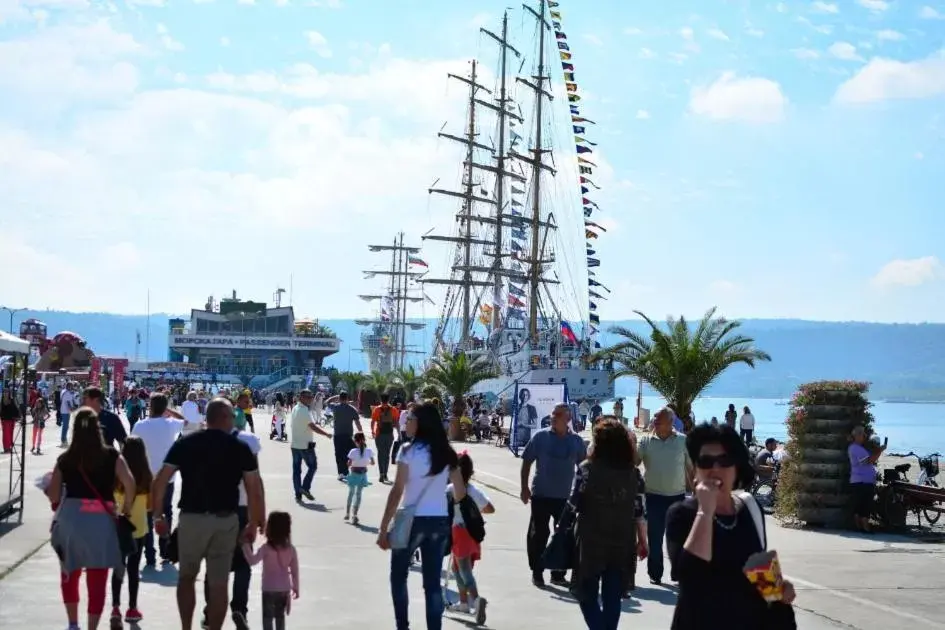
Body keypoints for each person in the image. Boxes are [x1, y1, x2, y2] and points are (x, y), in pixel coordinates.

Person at [666, 423, 796, 629]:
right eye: (706, 461)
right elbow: (689, 578)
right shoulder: (682, 514)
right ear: (695, 470)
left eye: (724, 460)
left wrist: (780, 588)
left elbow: (758, 570)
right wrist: (705, 512)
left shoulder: (750, 508)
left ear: (736, 467)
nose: (715, 469)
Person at [151, 397, 265, 630]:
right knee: (219, 583)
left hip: (191, 519)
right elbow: (254, 488)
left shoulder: (186, 443)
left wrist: (158, 516)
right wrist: (253, 523)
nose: (234, 420)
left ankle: (186, 627)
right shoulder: (240, 448)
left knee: (186, 578)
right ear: (223, 418)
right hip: (226, 521)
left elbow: (160, 480)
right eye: (232, 416)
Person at [377, 401, 466, 630]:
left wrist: (384, 526)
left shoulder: (408, 451)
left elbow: (397, 490)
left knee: (398, 576)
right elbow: (460, 492)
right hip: (438, 522)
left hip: (411, 521)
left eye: (410, 419)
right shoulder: (447, 453)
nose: (406, 423)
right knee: (432, 584)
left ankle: (402, 626)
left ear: (421, 424)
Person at [46, 407, 136, 630]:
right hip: (101, 520)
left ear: (75, 429)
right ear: (98, 429)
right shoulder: (111, 456)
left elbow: (54, 494)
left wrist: (55, 502)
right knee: (97, 578)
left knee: (69, 573)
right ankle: (92, 627)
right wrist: (125, 509)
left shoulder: (65, 459)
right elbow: (130, 483)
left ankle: (73, 624)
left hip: (71, 519)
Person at [570, 417, 647, 630]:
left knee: (586, 593)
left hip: (592, 539)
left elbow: (573, 502)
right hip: (622, 539)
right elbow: (639, 510)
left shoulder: (587, 468)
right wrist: (643, 540)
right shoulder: (634, 474)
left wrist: (561, 528)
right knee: (613, 596)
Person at [200, 407, 265, 629]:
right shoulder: (248, 441)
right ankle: (239, 608)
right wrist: (259, 516)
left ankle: (210, 612)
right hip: (243, 510)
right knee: (244, 562)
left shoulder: (203, 442)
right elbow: (256, 482)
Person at [520, 403, 587, 587]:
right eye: (553, 414)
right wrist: (524, 488)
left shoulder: (576, 441)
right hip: (541, 494)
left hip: (565, 498)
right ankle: (537, 571)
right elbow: (527, 461)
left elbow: (584, 468)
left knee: (564, 535)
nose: (554, 417)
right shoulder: (540, 437)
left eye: (558, 415)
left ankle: (558, 573)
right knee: (538, 534)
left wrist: (583, 495)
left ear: (568, 419)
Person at [131, 392, 183, 566]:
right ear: (164, 407)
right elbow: (187, 422)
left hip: (145, 477)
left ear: (150, 406)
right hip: (166, 477)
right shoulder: (170, 424)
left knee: (146, 515)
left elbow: (132, 449)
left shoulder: (139, 426)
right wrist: (170, 410)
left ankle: (150, 554)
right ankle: (166, 551)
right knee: (165, 512)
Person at [445, 451, 494, 625]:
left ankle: (475, 599)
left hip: (459, 532)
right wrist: (474, 512)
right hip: (473, 534)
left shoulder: (451, 490)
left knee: (463, 569)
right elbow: (490, 508)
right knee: (458, 570)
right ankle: (464, 602)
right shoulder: (474, 491)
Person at [109, 436, 152, 625]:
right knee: (134, 569)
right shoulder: (147, 477)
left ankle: (115, 608)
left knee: (118, 567)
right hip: (138, 528)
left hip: (117, 528)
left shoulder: (116, 475)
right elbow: (150, 506)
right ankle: (132, 608)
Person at [243, 511, 299, 630]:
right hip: (284, 588)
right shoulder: (291, 550)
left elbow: (252, 561)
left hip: (268, 588)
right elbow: (294, 571)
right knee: (280, 618)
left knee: (267, 618)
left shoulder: (266, 548)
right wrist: (296, 587)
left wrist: (245, 546)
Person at [290, 389, 332, 502]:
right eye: (308, 397)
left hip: (295, 444)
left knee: (296, 470)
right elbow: (313, 426)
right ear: (301, 398)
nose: (310, 399)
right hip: (305, 445)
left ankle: (298, 494)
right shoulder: (303, 410)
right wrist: (326, 434)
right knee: (312, 466)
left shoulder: (295, 408)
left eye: (311, 397)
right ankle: (305, 488)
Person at [849, 425, 883, 533]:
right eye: (863, 434)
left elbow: (870, 459)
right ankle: (863, 527)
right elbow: (868, 461)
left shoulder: (859, 448)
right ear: (858, 436)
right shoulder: (855, 448)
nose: (865, 436)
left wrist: (877, 451)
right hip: (862, 480)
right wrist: (880, 450)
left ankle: (861, 527)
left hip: (863, 480)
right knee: (865, 504)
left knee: (861, 504)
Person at [325, 391, 363, 480]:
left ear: (340, 398)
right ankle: (346, 471)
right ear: (347, 398)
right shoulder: (352, 409)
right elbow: (358, 423)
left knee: (338, 454)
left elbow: (326, 402)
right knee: (348, 454)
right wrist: (361, 433)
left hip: (338, 435)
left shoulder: (335, 407)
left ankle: (341, 472)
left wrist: (335, 396)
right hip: (348, 435)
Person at [345, 432, 375, 524]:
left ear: (355, 441)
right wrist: (365, 462)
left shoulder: (353, 451)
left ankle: (347, 513)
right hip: (363, 474)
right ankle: (355, 514)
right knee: (358, 495)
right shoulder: (369, 451)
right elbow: (373, 463)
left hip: (354, 473)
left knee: (351, 493)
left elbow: (349, 464)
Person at [371, 393, 400, 483]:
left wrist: (373, 431)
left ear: (381, 400)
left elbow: (373, 422)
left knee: (380, 453)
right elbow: (396, 422)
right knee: (387, 454)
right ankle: (386, 474)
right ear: (388, 400)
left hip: (379, 434)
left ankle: (381, 474)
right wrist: (399, 433)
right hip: (389, 434)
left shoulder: (377, 409)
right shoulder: (394, 410)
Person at [59, 382, 79, 447]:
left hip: (64, 411)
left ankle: (64, 439)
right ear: (69, 386)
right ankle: (63, 440)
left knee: (66, 426)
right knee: (65, 426)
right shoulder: (67, 393)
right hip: (66, 411)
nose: (73, 387)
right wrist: (73, 409)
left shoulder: (64, 391)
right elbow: (68, 403)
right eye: (72, 386)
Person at [1, 389, 21, 454]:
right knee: (6, 434)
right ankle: (6, 448)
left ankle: (9, 447)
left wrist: (18, 416)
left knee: (10, 434)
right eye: (4, 392)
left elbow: (16, 408)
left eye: (7, 392)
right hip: (5, 419)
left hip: (12, 419)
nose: (5, 393)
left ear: (9, 393)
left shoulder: (12, 400)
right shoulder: (1, 401)